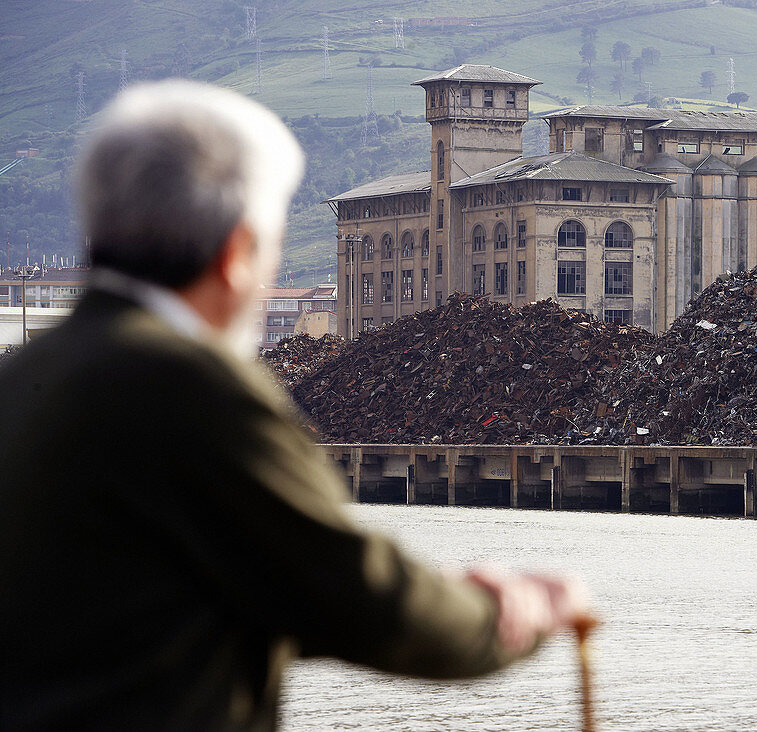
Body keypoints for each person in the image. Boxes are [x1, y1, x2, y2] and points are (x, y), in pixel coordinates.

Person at [0, 81, 587, 729]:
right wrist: (514, 613)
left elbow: (178, 597)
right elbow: (357, 599)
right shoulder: (195, 390)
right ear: (235, 255)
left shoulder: (27, 378)